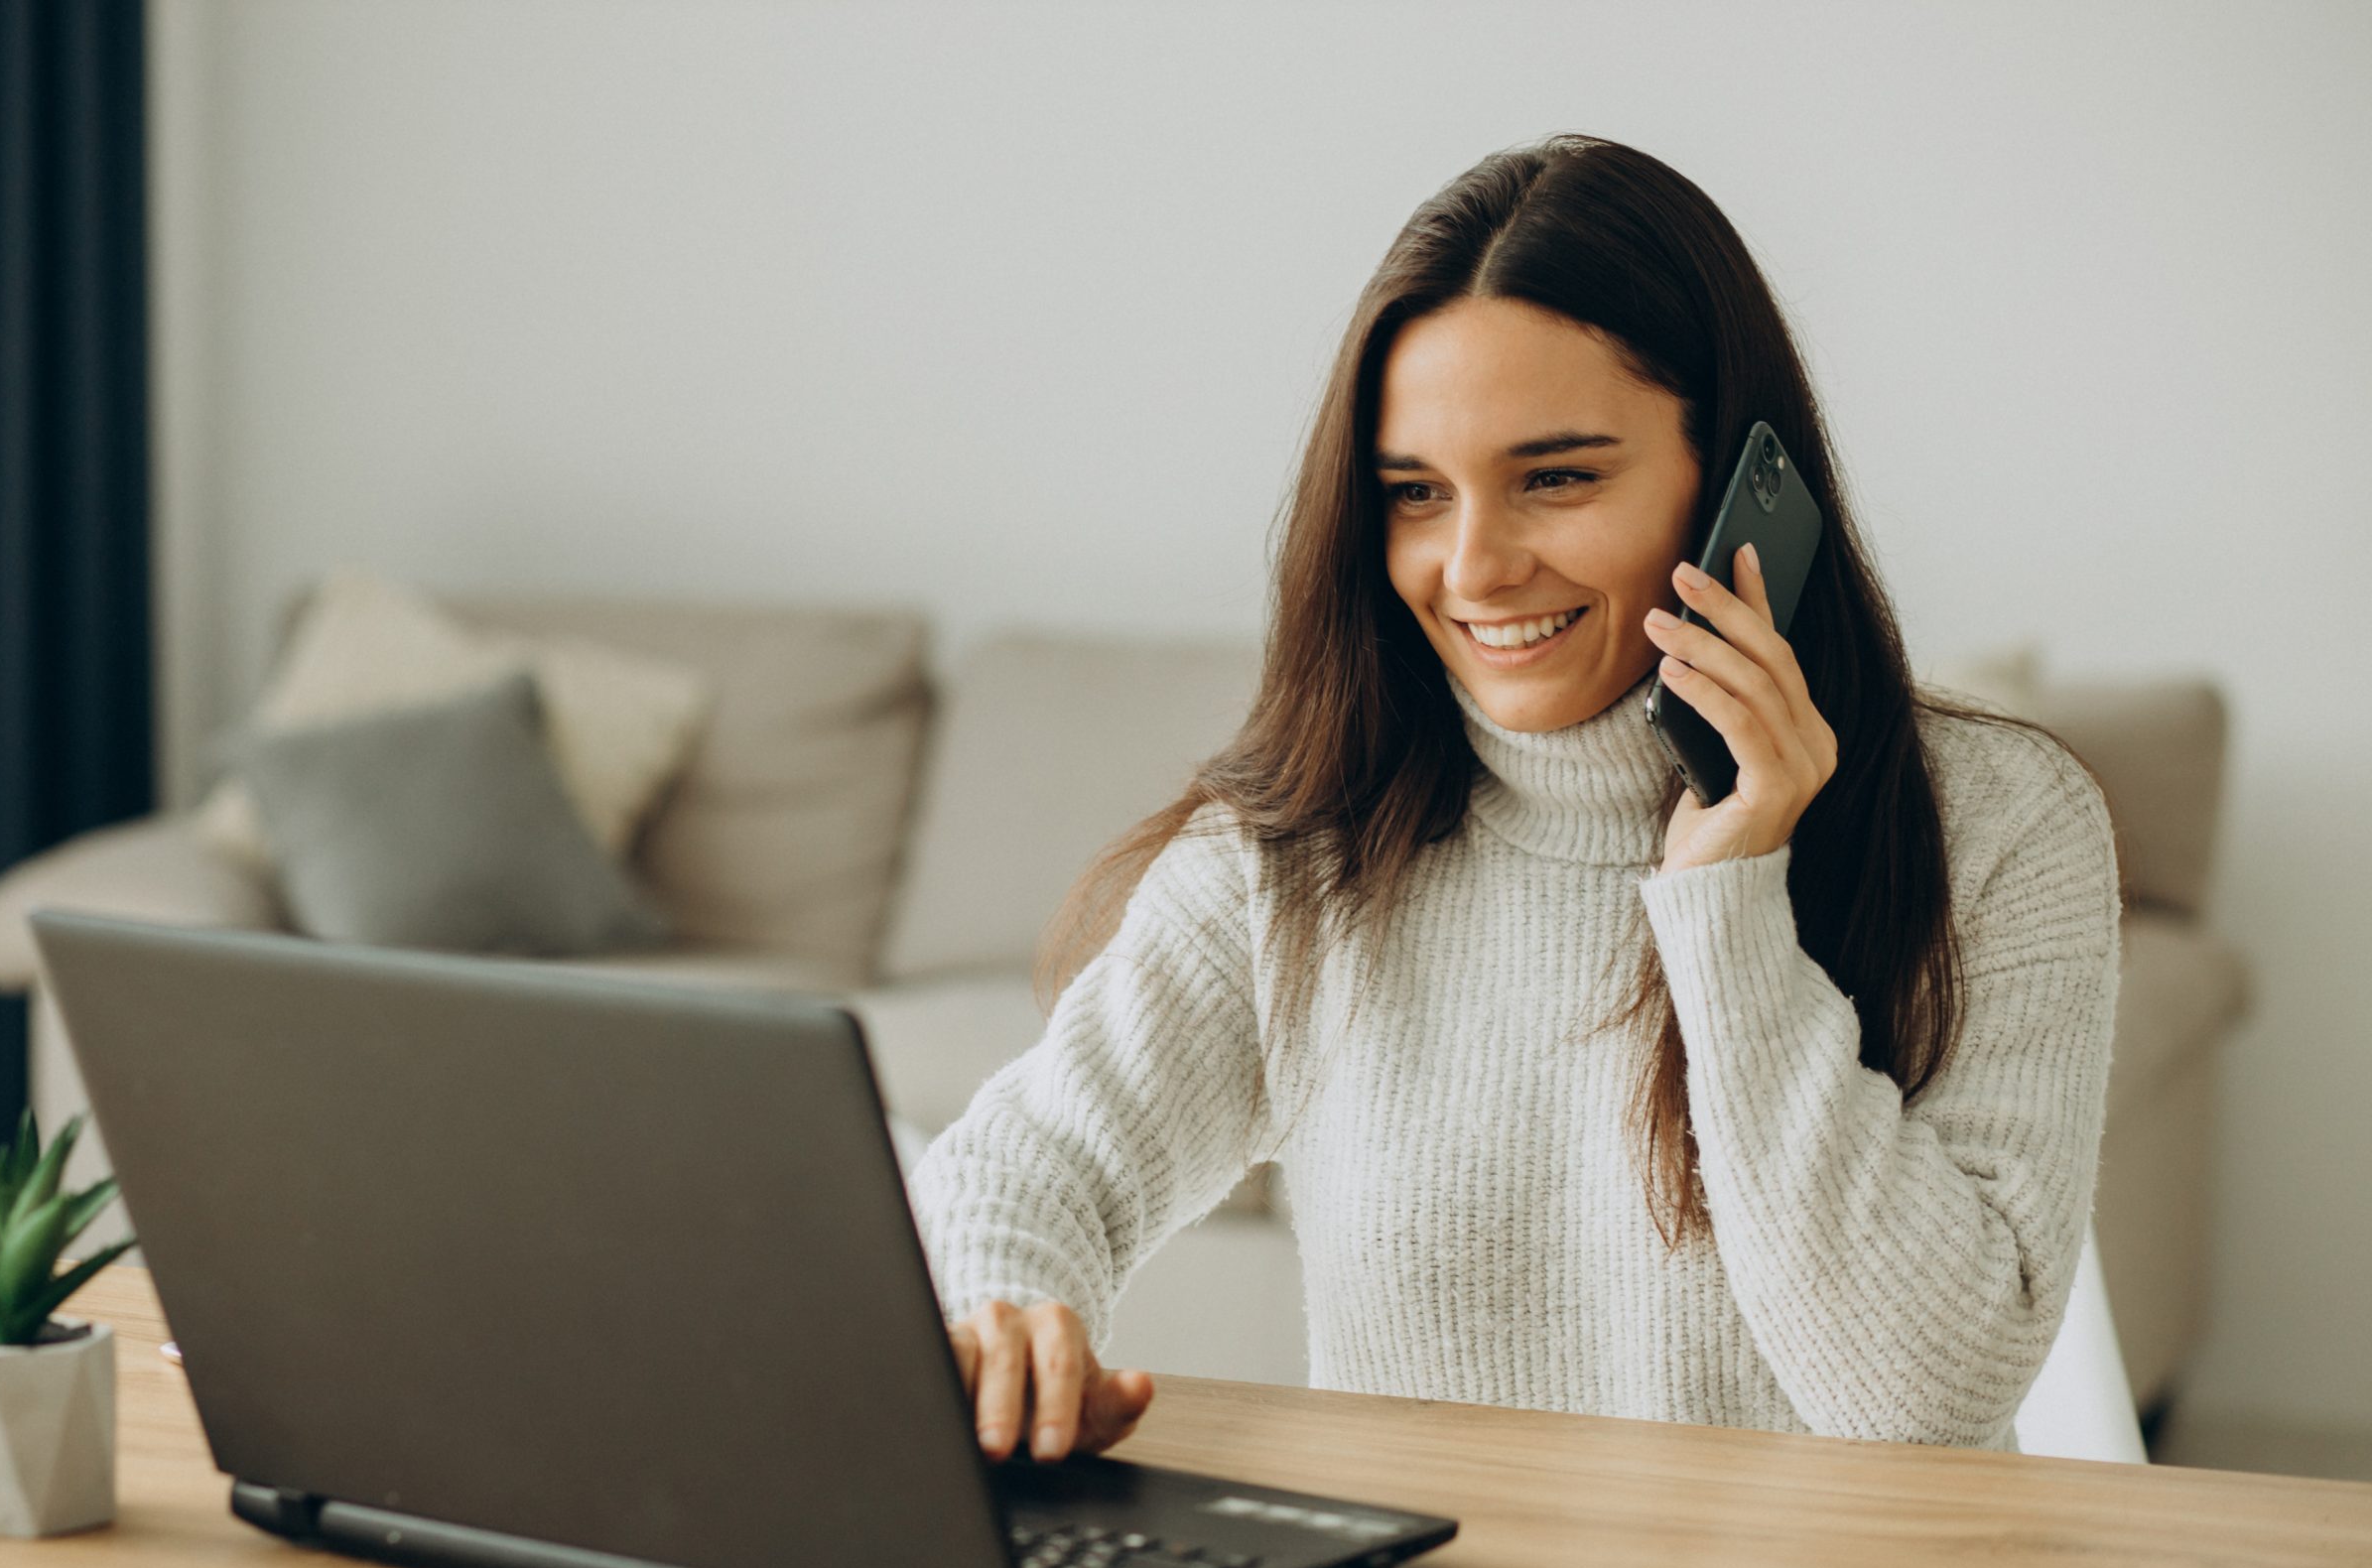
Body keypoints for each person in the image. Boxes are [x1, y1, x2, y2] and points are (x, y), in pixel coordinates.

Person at [907, 133, 2122, 1467]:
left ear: (1730, 478)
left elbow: (1925, 1405)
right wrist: (1005, 1317)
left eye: (1556, 476)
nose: (1473, 567)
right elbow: (1018, 1169)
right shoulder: (1304, 848)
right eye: (1414, 495)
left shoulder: (2008, 823)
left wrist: (1727, 901)